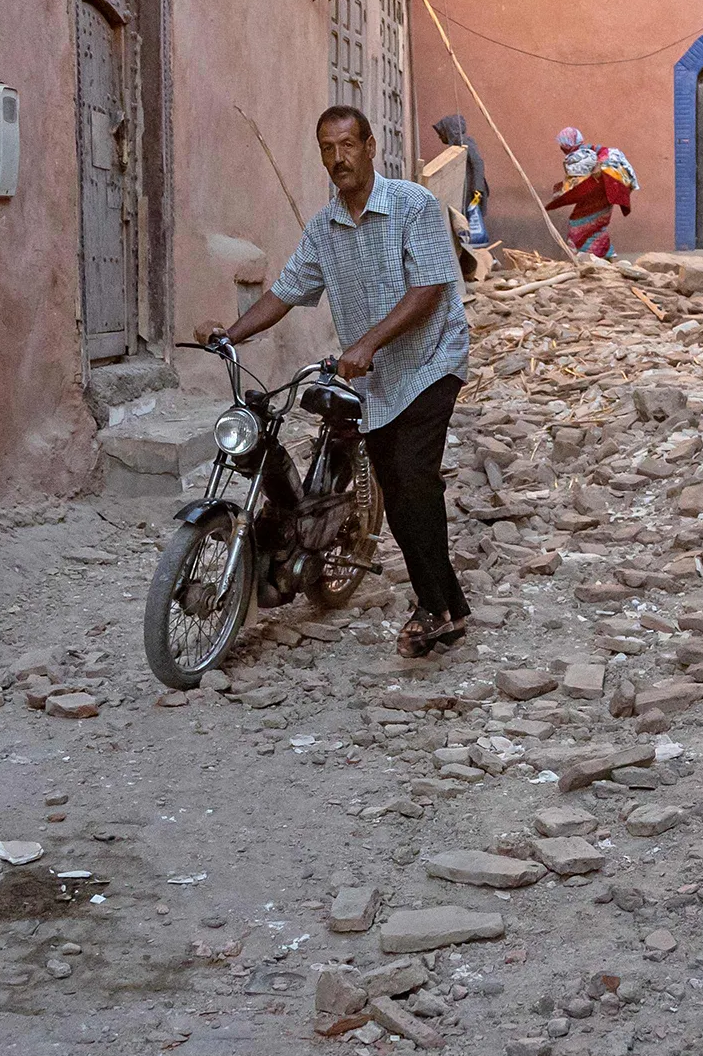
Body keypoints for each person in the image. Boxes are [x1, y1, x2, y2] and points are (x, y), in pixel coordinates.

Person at [205, 106, 475, 658]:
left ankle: (435, 609)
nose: (338, 158)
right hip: (375, 379)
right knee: (398, 491)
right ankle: (448, 605)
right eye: (327, 148)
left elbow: (428, 290)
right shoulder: (323, 229)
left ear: (371, 147)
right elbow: (284, 291)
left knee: (411, 480)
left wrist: (368, 342)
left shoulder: (412, 206)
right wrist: (230, 334)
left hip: (430, 360)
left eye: (348, 145)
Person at [547, 124, 636, 258]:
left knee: (581, 224)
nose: (561, 148)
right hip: (604, 194)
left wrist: (561, 194)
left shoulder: (579, 157)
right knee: (596, 225)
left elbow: (578, 183)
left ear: (567, 145)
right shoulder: (593, 151)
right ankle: (607, 255)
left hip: (598, 195)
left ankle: (588, 256)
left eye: (563, 145)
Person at [432, 112, 491, 246]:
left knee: (472, 223)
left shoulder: (464, 142)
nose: (440, 136)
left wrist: (477, 188)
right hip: (467, 190)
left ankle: (479, 253)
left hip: (472, 192)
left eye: (442, 132)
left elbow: (477, 163)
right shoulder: (456, 146)